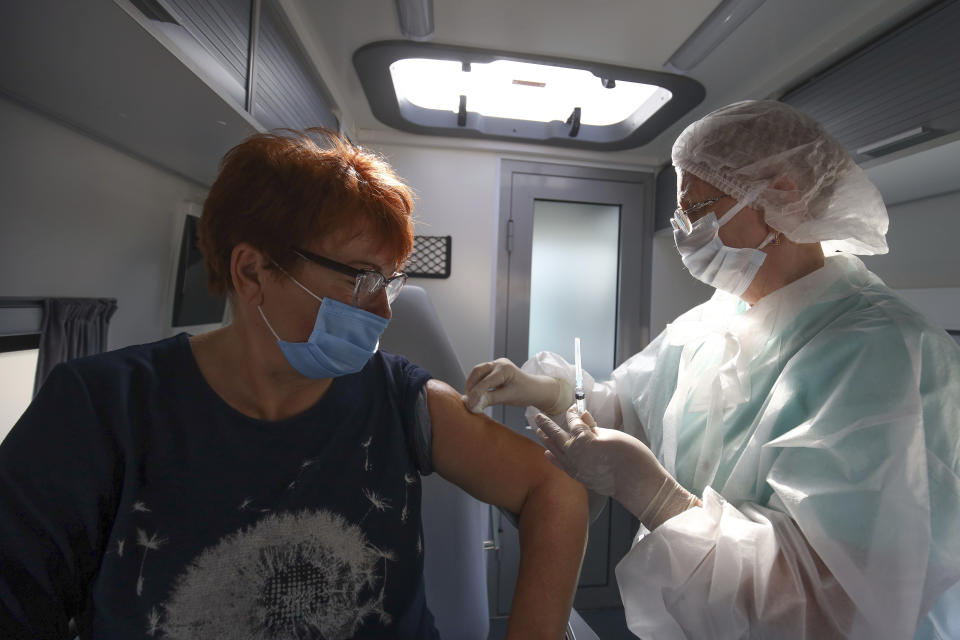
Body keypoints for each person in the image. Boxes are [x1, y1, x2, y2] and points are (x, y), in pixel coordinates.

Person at [0, 129, 589, 639]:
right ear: (252, 271)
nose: (383, 313)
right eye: (361, 280)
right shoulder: (101, 410)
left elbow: (554, 491)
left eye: (389, 283)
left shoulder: (400, 399)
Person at [464, 100, 960, 639]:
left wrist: (655, 495)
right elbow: (629, 404)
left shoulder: (886, 353)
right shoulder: (716, 320)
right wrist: (552, 391)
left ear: (780, 196)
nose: (685, 232)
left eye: (697, 209)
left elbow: (838, 603)